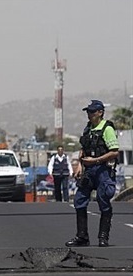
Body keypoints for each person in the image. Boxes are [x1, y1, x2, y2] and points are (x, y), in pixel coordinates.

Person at [66, 100, 119, 248]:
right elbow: (84, 148)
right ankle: (82, 237)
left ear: (100, 112)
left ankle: (103, 237)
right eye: (88, 112)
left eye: (92, 112)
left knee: (103, 201)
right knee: (79, 200)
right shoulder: (87, 129)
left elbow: (114, 152)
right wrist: (79, 165)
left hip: (103, 170)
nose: (89, 115)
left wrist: (95, 160)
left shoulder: (107, 128)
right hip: (89, 170)